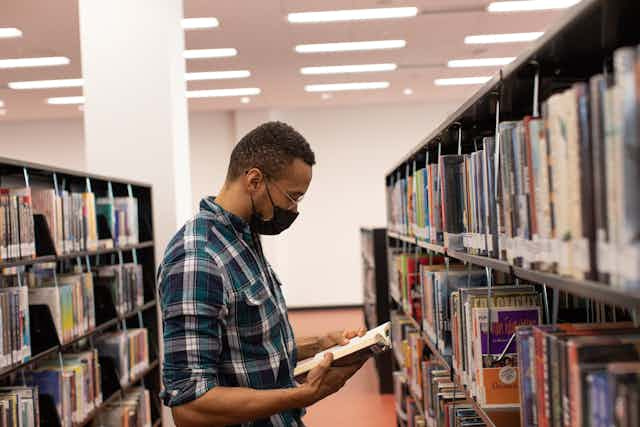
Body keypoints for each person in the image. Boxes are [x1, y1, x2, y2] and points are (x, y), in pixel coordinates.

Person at [158, 121, 369, 427]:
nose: (294, 210)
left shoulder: (243, 237)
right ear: (254, 180)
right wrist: (302, 395)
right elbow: (191, 406)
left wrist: (322, 345)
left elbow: (249, 352)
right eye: (292, 197)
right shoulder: (198, 259)